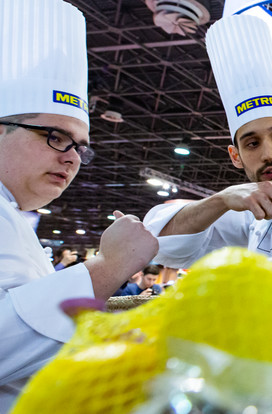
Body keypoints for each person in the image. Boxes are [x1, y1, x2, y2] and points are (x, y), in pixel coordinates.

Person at [0, 0, 158, 408]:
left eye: (80, 148)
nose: (72, 157)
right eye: (54, 135)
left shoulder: (14, 217)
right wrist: (108, 266)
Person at [143, 13, 272, 281]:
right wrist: (222, 199)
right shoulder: (257, 208)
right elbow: (160, 243)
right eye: (252, 143)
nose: (268, 154)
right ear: (236, 156)